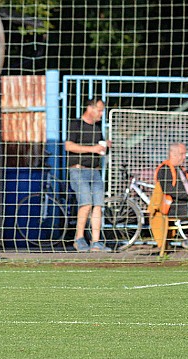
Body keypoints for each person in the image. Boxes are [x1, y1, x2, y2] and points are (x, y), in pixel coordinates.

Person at [65, 98, 112, 252]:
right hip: (78, 170)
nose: (101, 113)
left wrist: (105, 147)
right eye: (99, 110)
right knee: (85, 203)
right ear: (90, 109)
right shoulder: (76, 124)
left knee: (98, 205)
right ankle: (79, 239)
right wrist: (92, 149)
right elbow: (69, 145)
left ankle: (96, 242)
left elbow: (100, 148)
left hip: (95, 170)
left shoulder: (97, 128)